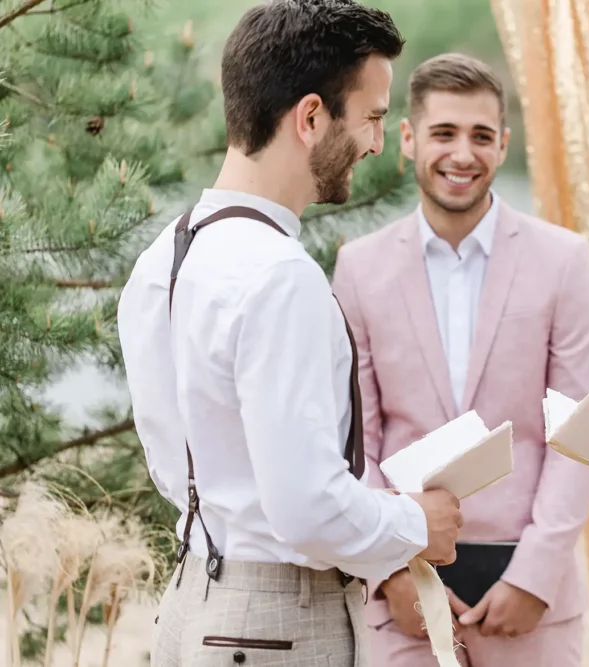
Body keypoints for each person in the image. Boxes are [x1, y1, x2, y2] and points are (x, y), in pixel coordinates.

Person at [116, 3, 463, 665]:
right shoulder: (279, 275)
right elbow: (304, 510)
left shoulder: (163, 257)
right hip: (276, 625)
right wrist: (419, 522)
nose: (376, 142)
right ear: (310, 118)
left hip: (192, 601)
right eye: (371, 116)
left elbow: (182, 470)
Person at [332, 52, 589, 667]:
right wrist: (391, 572)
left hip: (534, 603)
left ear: (504, 144)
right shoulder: (359, 268)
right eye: (444, 134)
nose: (463, 154)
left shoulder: (563, 261)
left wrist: (534, 578)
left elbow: (580, 435)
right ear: (407, 139)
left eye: (481, 136)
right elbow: (357, 440)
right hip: (404, 598)